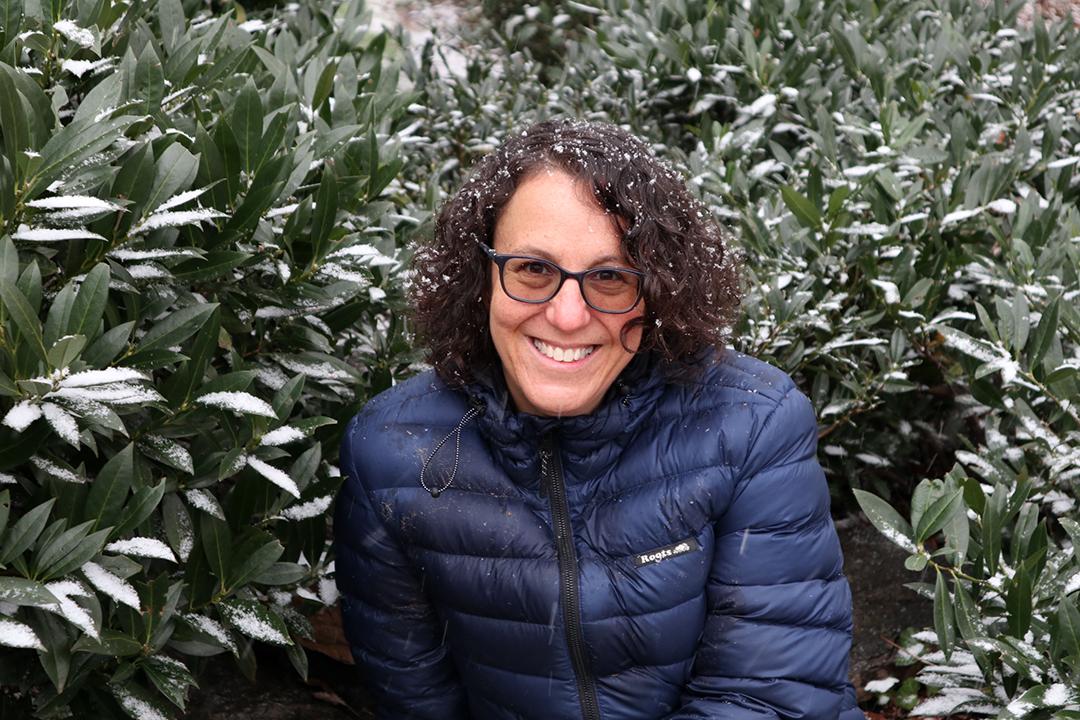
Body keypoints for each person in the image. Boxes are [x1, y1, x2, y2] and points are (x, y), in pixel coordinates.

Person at [334, 119, 863, 719]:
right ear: (481, 275)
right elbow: (417, 702)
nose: (566, 316)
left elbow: (772, 697)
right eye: (532, 270)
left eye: (610, 278)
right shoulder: (391, 452)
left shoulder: (752, 424)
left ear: (660, 290)